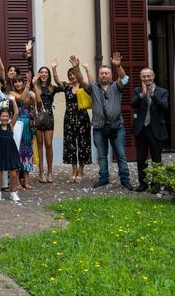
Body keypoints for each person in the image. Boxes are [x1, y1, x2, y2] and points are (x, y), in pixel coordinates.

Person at [72, 53, 134, 190]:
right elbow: (81, 81)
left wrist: (118, 66)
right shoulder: (93, 88)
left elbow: (124, 78)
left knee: (121, 154)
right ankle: (104, 178)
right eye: (102, 73)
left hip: (117, 127)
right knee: (101, 155)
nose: (104, 75)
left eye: (106, 73)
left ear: (111, 75)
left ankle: (125, 180)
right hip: (99, 128)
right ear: (99, 75)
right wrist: (76, 68)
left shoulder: (117, 86)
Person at [53, 61, 92, 183]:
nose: (71, 76)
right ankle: (74, 170)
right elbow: (57, 81)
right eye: (69, 74)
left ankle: (81, 171)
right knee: (70, 144)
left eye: (73, 74)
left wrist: (82, 69)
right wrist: (54, 69)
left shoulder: (83, 86)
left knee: (83, 144)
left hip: (82, 117)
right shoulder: (67, 87)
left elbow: (92, 84)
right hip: (69, 117)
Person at [131, 67, 169, 192]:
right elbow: (133, 105)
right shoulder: (137, 91)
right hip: (141, 130)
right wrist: (142, 94)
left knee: (156, 158)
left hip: (156, 130)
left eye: (148, 76)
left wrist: (152, 95)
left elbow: (164, 107)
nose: (146, 79)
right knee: (141, 158)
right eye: (144, 76)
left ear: (153, 77)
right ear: (141, 78)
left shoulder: (162, 91)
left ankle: (156, 183)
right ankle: (143, 183)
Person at [32, 64, 63, 183]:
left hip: (49, 115)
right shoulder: (35, 86)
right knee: (39, 143)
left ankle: (50, 172)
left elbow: (62, 86)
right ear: (39, 75)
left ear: (48, 75)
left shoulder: (52, 88)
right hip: (38, 116)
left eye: (46, 72)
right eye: (42, 72)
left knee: (48, 144)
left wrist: (54, 69)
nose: (44, 74)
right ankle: (41, 172)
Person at [0, 94, 22, 202]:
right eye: (2, 116)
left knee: (13, 174)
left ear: (9, 117)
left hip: (10, 151)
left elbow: (17, 113)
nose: (4, 118)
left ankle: (13, 192)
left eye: (6, 116)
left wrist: (13, 101)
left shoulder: (11, 125)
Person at [9, 71, 36, 189]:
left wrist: (34, 84)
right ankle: (17, 182)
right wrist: (28, 84)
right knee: (17, 152)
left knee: (27, 151)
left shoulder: (30, 92)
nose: (18, 84)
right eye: (16, 82)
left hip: (28, 125)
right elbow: (21, 98)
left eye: (20, 81)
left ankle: (26, 181)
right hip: (17, 123)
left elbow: (37, 99)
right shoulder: (12, 93)